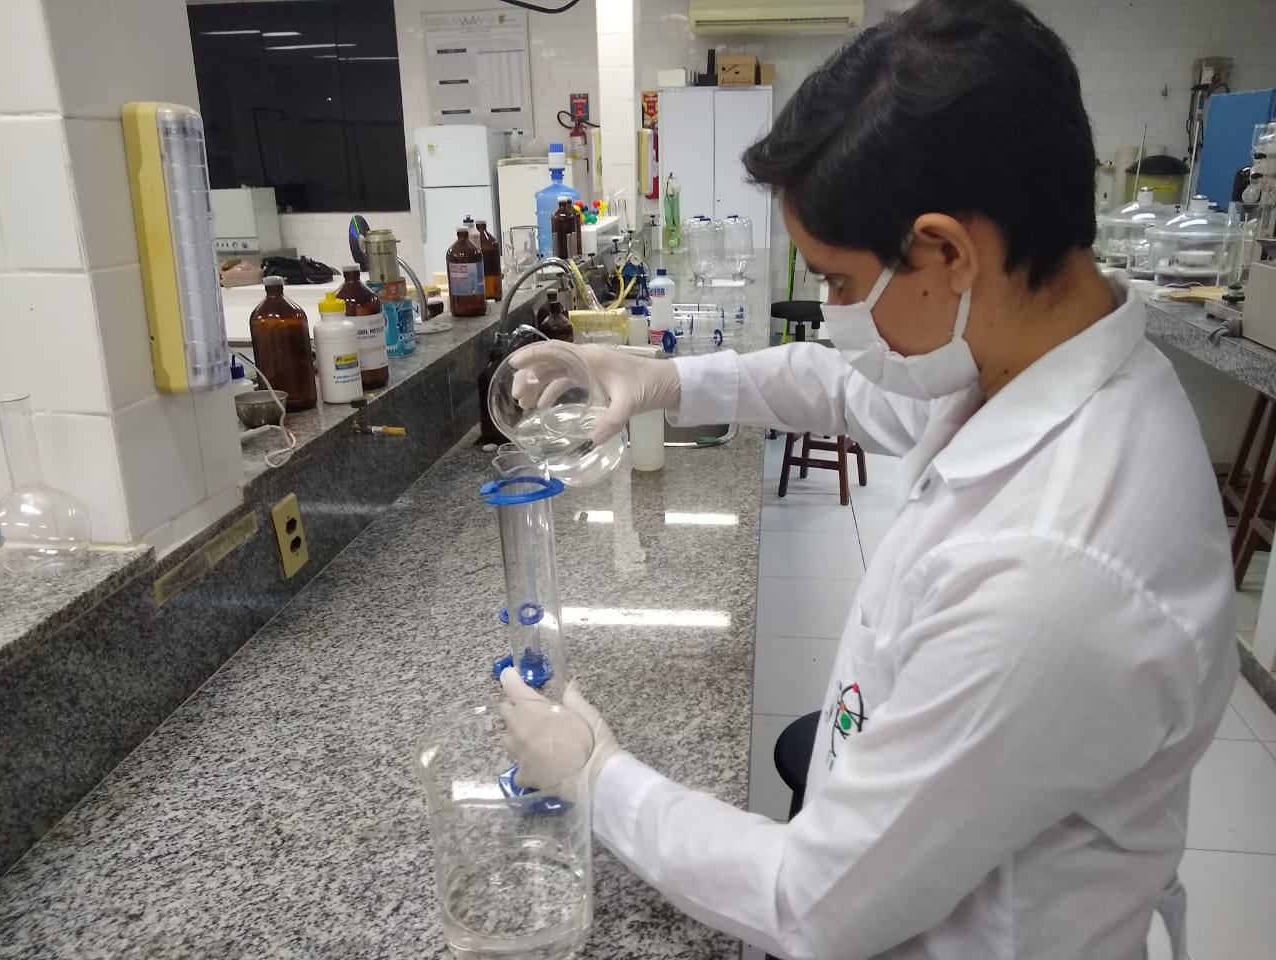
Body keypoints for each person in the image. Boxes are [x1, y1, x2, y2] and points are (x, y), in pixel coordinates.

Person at [499, 0, 1237, 956]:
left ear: (947, 252)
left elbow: (816, 904)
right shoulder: (1031, 358)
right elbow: (843, 386)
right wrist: (663, 378)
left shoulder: (1056, 571)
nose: (831, 311)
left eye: (839, 282)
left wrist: (598, 778)